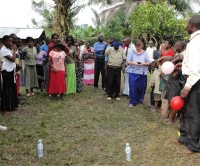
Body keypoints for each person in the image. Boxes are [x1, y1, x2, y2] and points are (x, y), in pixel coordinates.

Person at [174, 15, 200, 154]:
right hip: (190, 78)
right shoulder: (194, 40)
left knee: (192, 113)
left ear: (191, 25)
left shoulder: (195, 42)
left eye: (186, 23)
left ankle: (193, 145)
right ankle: (183, 137)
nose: (185, 26)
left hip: (194, 81)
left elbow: (196, 68)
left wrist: (188, 86)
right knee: (185, 110)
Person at [126, 39, 150, 107]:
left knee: (141, 87)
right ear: (135, 46)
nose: (138, 48)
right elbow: (128, 61)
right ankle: (132, 101)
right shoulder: (132, 52)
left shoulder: (145, 53)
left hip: (142, 73)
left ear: (142, 46)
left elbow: (148, 63)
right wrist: (134, 63)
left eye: (140, 46)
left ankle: (139, 99)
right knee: (133, 86)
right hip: (133, 72)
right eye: (137, 46)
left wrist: (143, 63)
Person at [0, 35, 18, 114]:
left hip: (10, 71)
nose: (11, 43)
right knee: (6, 89)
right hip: (6, 71)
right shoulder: (3, 50)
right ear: (5, 41)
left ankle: (11, 106)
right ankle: (4, 109)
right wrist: (14, 50)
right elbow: (13, 59)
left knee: (11, 88)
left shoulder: (7, 49)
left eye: (11, 42)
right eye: (9, 42)